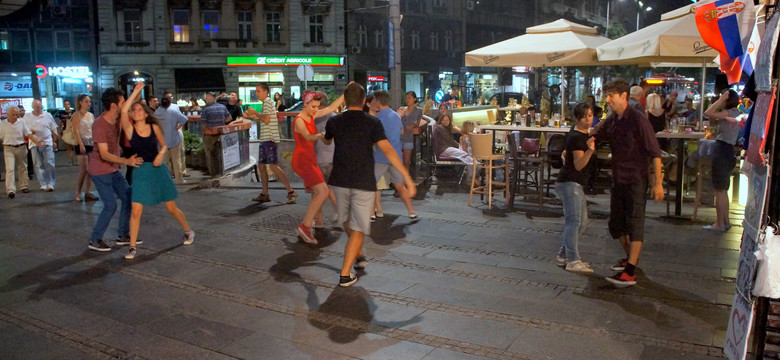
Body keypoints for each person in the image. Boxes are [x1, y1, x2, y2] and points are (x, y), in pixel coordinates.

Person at [322, 83, 416, 287]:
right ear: (364, 101)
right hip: (363, 180)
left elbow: (327, 141)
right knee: (357, 228)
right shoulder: (372, 122)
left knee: (347, 221)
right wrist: (406, 176)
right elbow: (388, 149)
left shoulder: (334, 121)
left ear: (345, 100)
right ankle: (345, 275)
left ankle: (359, 253)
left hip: (339, 179)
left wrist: (325, 137)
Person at [594, 79, 664, 288]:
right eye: (607, 96)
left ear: (623, 96)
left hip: (636, 179)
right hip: (618, 178)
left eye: (611, 96)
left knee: (635, 223)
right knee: (616, 225)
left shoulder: (639, 120)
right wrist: (588, 139)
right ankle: (630, 259)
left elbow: (655, 152)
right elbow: (598, 132)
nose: (607, 100)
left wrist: (658, 182)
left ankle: (630, 272)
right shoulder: (613, 119)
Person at [119, 82, 195, 260]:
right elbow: (123, 112)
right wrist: (136, 92)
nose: (136, 111)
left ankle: (189, 231)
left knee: (171, 207)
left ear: (146, 114)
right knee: (136, 209)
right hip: (140, 170)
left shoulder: (153, 127)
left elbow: (164, 146)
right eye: (134, 109)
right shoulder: (130, 129)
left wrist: (161, 154)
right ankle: (132, 247)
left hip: (157, 169)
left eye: (139, 109)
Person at [87, 87, 143, 252]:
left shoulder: (118, 118)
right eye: (122, 101)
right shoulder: (99, 124)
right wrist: (126, 161)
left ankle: (122, 235)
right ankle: (95, 239)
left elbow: (131, 105)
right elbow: (104, 154)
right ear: (113, 105)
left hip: (112, 169)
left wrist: (137, 90)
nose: (124, 103)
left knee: (128, 199)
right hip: (99, 170)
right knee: (110, 205)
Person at [292, 91, 345, 245]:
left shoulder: (310, 116)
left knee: (320, 191)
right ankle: (306, 225)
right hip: (303, 160)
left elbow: (331, 108)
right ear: (306, 104)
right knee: (322, 191)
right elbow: (308, 137)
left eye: (317, 107)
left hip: (309, 159)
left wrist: (345, 94)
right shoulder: (299, 120)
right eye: (313, 106)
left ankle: (310, 224)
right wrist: (320, 135)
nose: (316, 109)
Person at [555, 103, 596, 273]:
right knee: (574, 222)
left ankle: (563, 255)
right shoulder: (577, 138)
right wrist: (590, 151)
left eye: (591, 115)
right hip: (570, 182)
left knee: (582, 222)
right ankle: (573, 259)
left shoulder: (581, 134)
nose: (589, 119)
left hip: (575, 183)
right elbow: (579, 165)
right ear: (577, 118)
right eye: (585, 116)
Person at [244, 83, 297, 204]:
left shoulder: (268, 102)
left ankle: (291, 191)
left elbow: (266, 119)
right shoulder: (266, 103)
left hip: (269, 139)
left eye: (258, 91)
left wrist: (255, 113)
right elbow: (265, 120)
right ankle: (265, 193)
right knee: (262, 166)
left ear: (265, 92)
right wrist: (254, 116)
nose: (256, 93)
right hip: (265, 138)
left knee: (272, 166)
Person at [371, 90, 419, 221]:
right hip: (396, 156)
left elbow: (374, 138)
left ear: (378, 102)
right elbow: (402, 132)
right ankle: (411, 212)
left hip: (380, 156)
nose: (373, 102)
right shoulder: (396, 116)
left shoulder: (377, 119)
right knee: (400, 185)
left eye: (374, 100)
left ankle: (371, 213)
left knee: (370, 185)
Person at [703, 89, 741, 232]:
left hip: (722, 149)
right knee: (723, 189)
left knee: (719, 189)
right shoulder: (734, 113)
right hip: (729, 149)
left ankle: (719, 223)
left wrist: (721, 99)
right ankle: (725, 221)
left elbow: (708, 112)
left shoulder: (729, 112)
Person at [313, 90, 339, 227]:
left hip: (318, 157)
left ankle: (319, 222)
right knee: (329, 187)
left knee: (317, 192)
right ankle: (338, 209)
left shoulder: (314, 117)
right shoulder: (334, 116)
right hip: (332, 157)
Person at [23, 100, 58, 191]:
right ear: (32, 107)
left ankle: (50, 182)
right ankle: (43, 183)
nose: (38, 109)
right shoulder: (27, 117)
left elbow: (54, 128)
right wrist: (30, 131)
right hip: (34, 144)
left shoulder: (47, 115)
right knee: (38, 164)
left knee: (49, 162)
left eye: (39, 107)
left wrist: (55, 140)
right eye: (36, 107)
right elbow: (23, 129)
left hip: (47, 142)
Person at [154, 95, 188, 184]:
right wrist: (178, 126)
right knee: (176, 161)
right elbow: (184, 119)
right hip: (174, 139)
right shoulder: (173, 111)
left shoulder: (157, 113)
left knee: (164, 162)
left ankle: (164, 180)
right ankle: (179, 179)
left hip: (162, 141)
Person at [0, 106, 33, 198]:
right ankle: (10, 189)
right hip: (8, 148)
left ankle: (24, 186)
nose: (15, 116)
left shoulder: (21, 122)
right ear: (8, 114)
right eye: (13, 115)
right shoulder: (2, 124)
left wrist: (36, 141)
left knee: (23, 167)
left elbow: (28, 133)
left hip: (21, 146)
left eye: (16, 114)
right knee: (10, 169)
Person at [71, 94, 98, 202]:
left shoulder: (90, 115)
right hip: (81, 143)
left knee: (90, 169)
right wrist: (80, 143)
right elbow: (76, 130)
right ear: (80, 102)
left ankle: (87, 191)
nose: (88, 104)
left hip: (90, 142)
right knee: (84, 169)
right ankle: (77, 192)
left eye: (89, 101)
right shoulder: (77, 115)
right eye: (86, 101)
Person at [199, 92, 232, 176]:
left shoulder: (206, 109)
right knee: (221, 154)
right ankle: (222, 172)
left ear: (210, 98)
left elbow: (203, 124)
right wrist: (222, 123)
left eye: (206, 97)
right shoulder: (222, 107)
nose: (205, 99)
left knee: (210, 155)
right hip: (221, 134)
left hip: (210, 135)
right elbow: (229, 118)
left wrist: (203, 133)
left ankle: (213, 174)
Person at [400, 91, 425, 172]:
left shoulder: (418, 110)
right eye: (406, 98)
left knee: (406, 161)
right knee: (399, 161)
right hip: (399, 136)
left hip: (409, 137)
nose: (407, 100)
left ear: (414, 99)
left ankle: (406, 179)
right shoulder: (402, 109)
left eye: (409, 98)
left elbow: (418, 123)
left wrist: (412, 126)